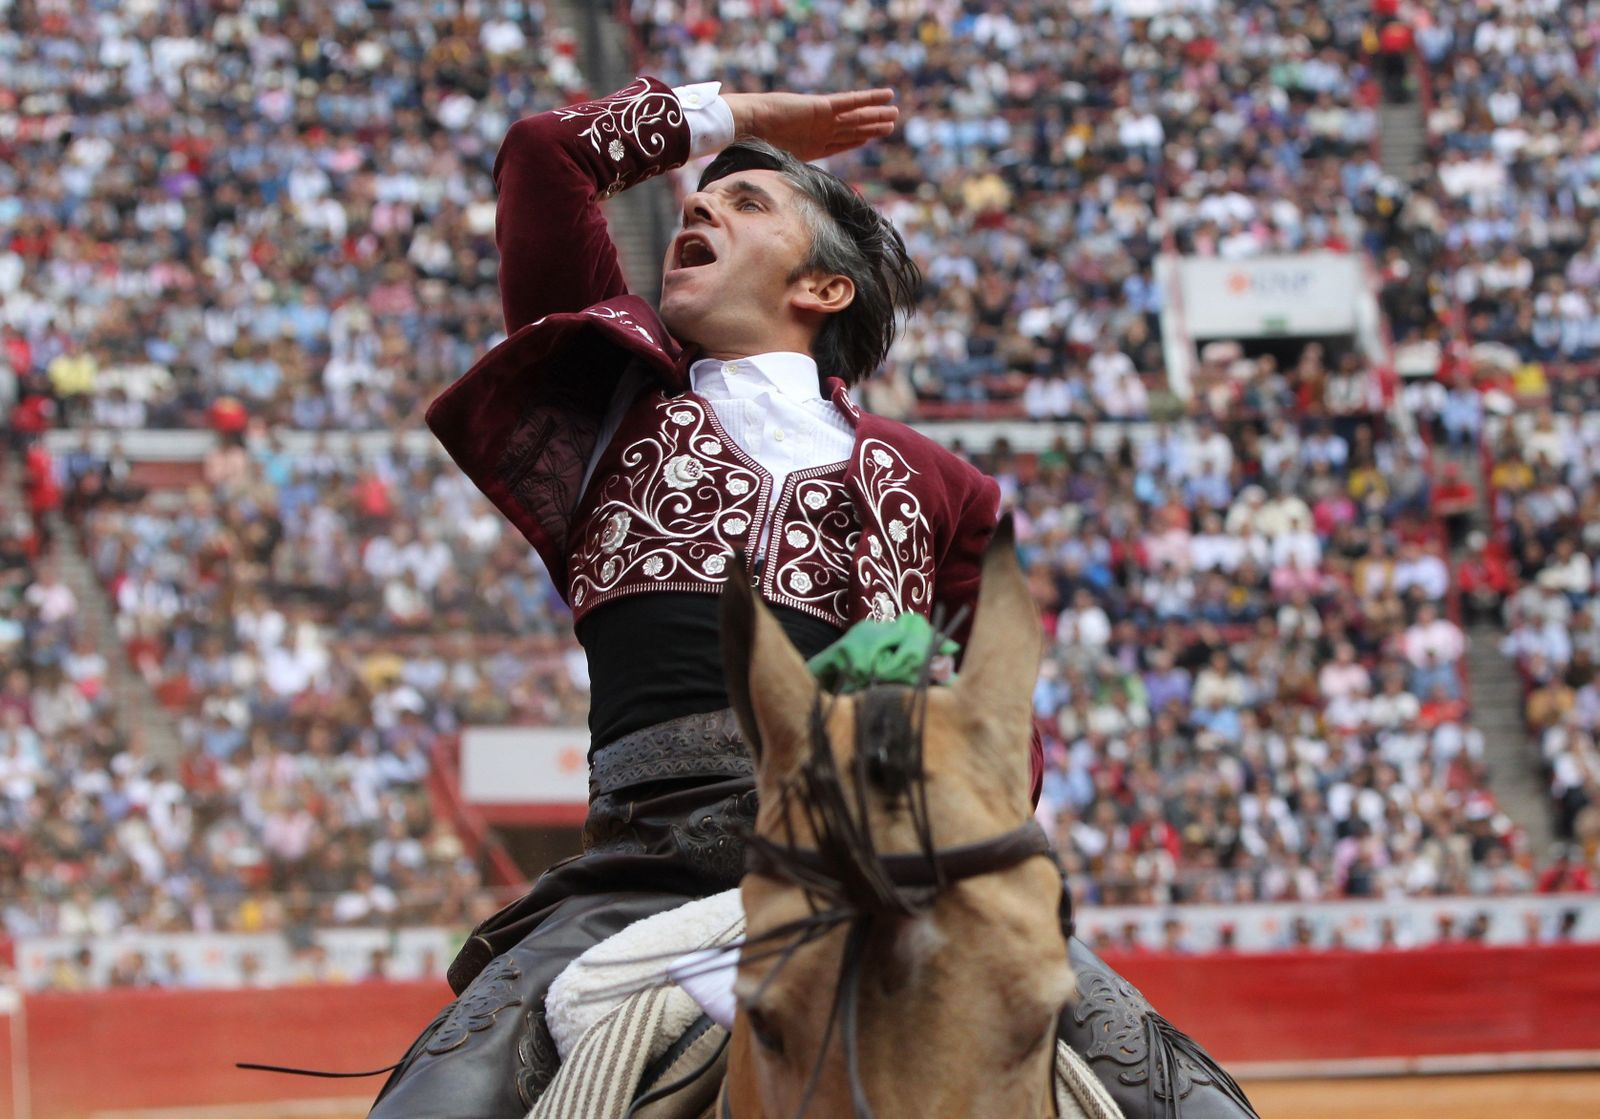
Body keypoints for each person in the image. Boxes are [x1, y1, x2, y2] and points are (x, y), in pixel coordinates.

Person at [371, 75, 1254, 1118]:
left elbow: (995, 721)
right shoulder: (615, 396)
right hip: (649, 873)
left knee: (1195, 1105)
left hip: (898, 862)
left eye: (746, 203)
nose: (699, 208)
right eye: (700, 201)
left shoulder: (948, 489)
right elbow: (543, 152)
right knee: (435, 1103)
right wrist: (739, 121)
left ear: (824, 289)